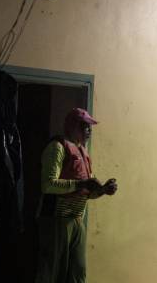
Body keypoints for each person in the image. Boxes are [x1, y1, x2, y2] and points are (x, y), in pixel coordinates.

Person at [35, 107, 118, 283]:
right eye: (85, 126)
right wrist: (82, 184)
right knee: (51, 273)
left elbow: (87, 191)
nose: (89, 130)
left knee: (77, 274)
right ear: (72, 126)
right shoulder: (57, 147)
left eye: (90, 127)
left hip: (77, 220)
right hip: (57, 219)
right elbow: (48, 185)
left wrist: (102, 190)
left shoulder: (83, 153)